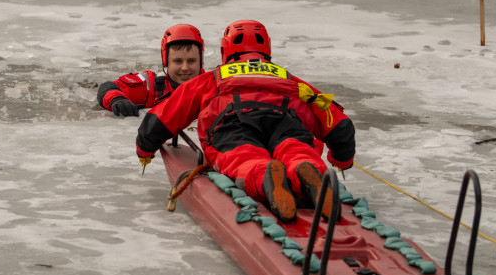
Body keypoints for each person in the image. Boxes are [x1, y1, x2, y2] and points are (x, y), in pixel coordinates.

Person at [135, 20, 355, 223]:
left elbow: (165, 114)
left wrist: (145, 149)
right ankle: (304, 170)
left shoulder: (214, 78)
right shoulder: (288, 78)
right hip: (287, 120)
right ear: (267, 49)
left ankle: (266, 175)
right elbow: (339, 124)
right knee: (296, 149)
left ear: (225, 50)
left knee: (244, 158)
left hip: (233, 123)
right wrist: (341, 160)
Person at [97, 24, 204, 117]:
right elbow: (107, 87)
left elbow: (221, 70)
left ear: (201, 61)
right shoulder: (151, 85)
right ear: (166, 62)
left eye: (191, 61)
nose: (185, 68)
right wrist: (117, 99)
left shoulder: (216, 82)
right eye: (177, 61)